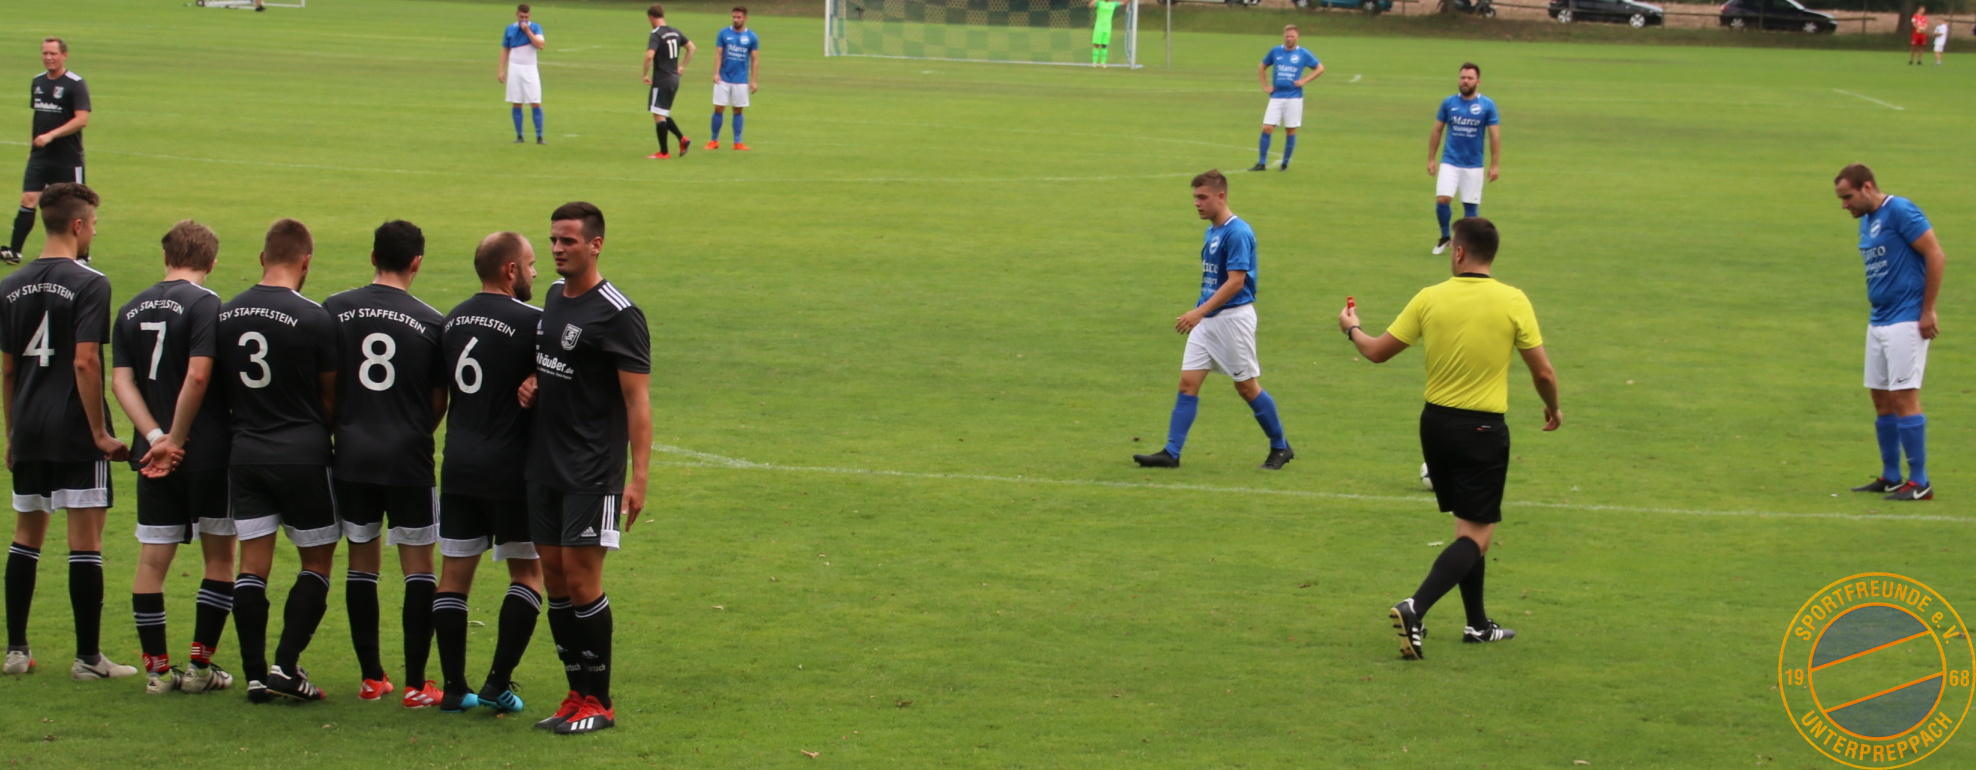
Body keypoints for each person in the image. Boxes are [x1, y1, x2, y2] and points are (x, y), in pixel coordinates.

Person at [1336, 216, 1561, 661]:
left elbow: (1376, 352)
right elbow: (1544, 373)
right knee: (1477, 536)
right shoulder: (1513, 300)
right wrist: (1553, 407)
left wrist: (1351, 327)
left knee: (1467, 526)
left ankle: (1477, 625)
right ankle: (1415, 607)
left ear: (1458, 252)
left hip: (1435, 425)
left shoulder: (1429, 297)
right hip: (1482, 430)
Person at [527, 202, 651, 735]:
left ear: (595, 245)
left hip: (591, 469)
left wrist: (637, 478)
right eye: (553, 240)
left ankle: (600, 701)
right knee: (554, 579)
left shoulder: (619, 313)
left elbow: (637, 400)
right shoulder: (554, 297)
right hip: (544, 463)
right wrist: (534, 381)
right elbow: (557, 366)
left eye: (569, 241)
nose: (557, 249)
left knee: (582, 580)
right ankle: (576, 693)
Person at [0, 182, 131, 679]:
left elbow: (8, 369)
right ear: (77, 225)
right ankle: (88, 659)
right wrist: (99, 433)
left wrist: (12, 433)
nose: (94, 231)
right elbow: (85, 361)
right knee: (85, 543)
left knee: (25, 537)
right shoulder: (90, 283)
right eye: (93, 224)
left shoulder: (10, 285)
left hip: (29, 425)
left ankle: (16, 651)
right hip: (74, 427)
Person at [108, 220, 237, 695]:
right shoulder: (207, 304)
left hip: (153, 456)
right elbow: (198, 376)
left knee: (151, 562)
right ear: (211, 262)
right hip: (207, 451)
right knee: (219, 558)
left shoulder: (130, 308)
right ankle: (201, 669)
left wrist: (155, 437)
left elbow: (121, 381)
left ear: (166, 256)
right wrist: (177, 440)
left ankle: (158, 673)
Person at [323, 221, 448, 706]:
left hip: (352, 454)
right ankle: (417, 684)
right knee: (419, 568)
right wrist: (414, 431)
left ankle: (372, 678)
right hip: (409, 458)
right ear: (417, 262)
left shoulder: (335, 309)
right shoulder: (432, 322)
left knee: (361, 562)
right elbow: (438, 401)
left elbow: (326, 385)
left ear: (373, 255)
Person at [218, 218, 341, 702]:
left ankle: (254, 675)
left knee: (252, 566)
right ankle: (285, 666)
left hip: (245, 454)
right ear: (306, 261)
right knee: (317, 562)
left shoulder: (226, 314)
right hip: (303, 455)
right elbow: (330, 398)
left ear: (262, 258)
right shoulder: (314, 317)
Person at [432, 232, 545, 714]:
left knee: (453, 577)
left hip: (458, 463)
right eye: (531, 264)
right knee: (529, 573)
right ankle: (498, 683)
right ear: (510, 270)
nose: (535, 272)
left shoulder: (452, 319)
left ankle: (454, 688)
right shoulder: (533, 322)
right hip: (512, 469)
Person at [1131, 170, 1293, 471]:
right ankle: (1171, 453)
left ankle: (1280, 446)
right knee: (1187, 384)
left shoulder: (1237, 232)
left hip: (1233, 320)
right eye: (1195, 197)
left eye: (1203, 197)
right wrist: (1201, 313)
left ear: (1221, 196)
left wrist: (1198, 312)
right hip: (1207, 320)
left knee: (1246, 387)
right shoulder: (1212, 231)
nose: (1197, 203)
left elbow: (1236, 282)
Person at [1834, 164, 1944, 502]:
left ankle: (1920, 482)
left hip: (1906, 320)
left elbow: (1935, 255)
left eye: (1848, 197)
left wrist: (1927, 310)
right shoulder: (1867, 219)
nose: (1844, 205)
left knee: (1903, 398)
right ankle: (1891, 476)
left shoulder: (1900, 210)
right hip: (1879, 319)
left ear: (1867, 187)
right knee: (1881, 398)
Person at [4, 39, 91, 267]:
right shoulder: (38, 81)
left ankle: (82, 255)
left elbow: (82, 119)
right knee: (28, 199)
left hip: (68, 157)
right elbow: (38, 118)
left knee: (74, 205)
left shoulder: (75, 84)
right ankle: (14, 251)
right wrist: (32, 148)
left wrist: (52, 135)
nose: (48, 57)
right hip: (41, 156)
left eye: (53, 53)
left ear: (64, 55)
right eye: (45, 53)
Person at [1426, 62, 1500, 256]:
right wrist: (1431, 158)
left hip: (1474, 164)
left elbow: (1494, 135)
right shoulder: (1448, 103)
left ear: (1478, 81)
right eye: (1463, 77)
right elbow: (1437, 130)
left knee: (1471, 210)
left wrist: (1494, 164)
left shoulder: (1487, 105)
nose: (1465, 81)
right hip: (1450, 161)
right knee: (1443, 198)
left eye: (1469, 78)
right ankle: (1445, 237)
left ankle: (1465, 245)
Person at [1250, 26, 1321, 173]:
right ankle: (1261, 163)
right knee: (1267, 127)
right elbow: (1262, 66)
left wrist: (1304, 80)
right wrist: (1265, 86)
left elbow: (1320, 68)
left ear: (1297, 38)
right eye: (1287, 36)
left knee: (1290, 130)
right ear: (1284, 36)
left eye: (1292, 36)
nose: (1289, 39)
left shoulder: (1303, 53)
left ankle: (1285, 164)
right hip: (1276, 96)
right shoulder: (1276, 51)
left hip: (1294, 97)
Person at [643, 4, 697, 160]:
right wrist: (682, 66)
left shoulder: (656, 34)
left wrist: (644, 74)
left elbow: (649, 56)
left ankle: (664, 152)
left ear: (651, 17)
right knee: (662, 113)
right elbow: (692, 48)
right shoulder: (674, 31)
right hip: (674, 78)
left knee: (658, 115)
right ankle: (682, 139)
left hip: (662, 79)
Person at [706, 7, 759, 152]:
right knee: (718, 107)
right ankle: (714, 140)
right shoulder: (723, 33)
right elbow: (718, 54)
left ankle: (738, 142)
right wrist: (716, 73)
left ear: (745, 18)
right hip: (723, 78)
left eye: (739, 17)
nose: (736, 20)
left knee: (738, 110)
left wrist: (753, 80)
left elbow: (755, 59)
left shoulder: (752, 37)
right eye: (734, 17)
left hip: (741, 80)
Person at [500, 4, 547, 144]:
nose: (523, 20)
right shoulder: (510, 29)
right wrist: (501, 69)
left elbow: (540, 45)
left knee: (535, 101)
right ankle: (519, 136)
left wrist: (527, 31)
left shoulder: (535, 28)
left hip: (530, 68)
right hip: (515, 68)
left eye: (526, 17)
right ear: (517, 15)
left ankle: (539, 136)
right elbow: (505, 49)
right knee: (516, 102)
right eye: (521, 17)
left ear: (530, 15)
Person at [1088, 0, 1125, 68]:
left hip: (1107, 28)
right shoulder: (1100, 3)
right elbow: (1090, 5)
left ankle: (1103, 62)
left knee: (1104, 45)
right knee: (1097, 45)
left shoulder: (1113, 4)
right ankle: (1094, 62)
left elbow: (1123, 3)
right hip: (1099, 27)